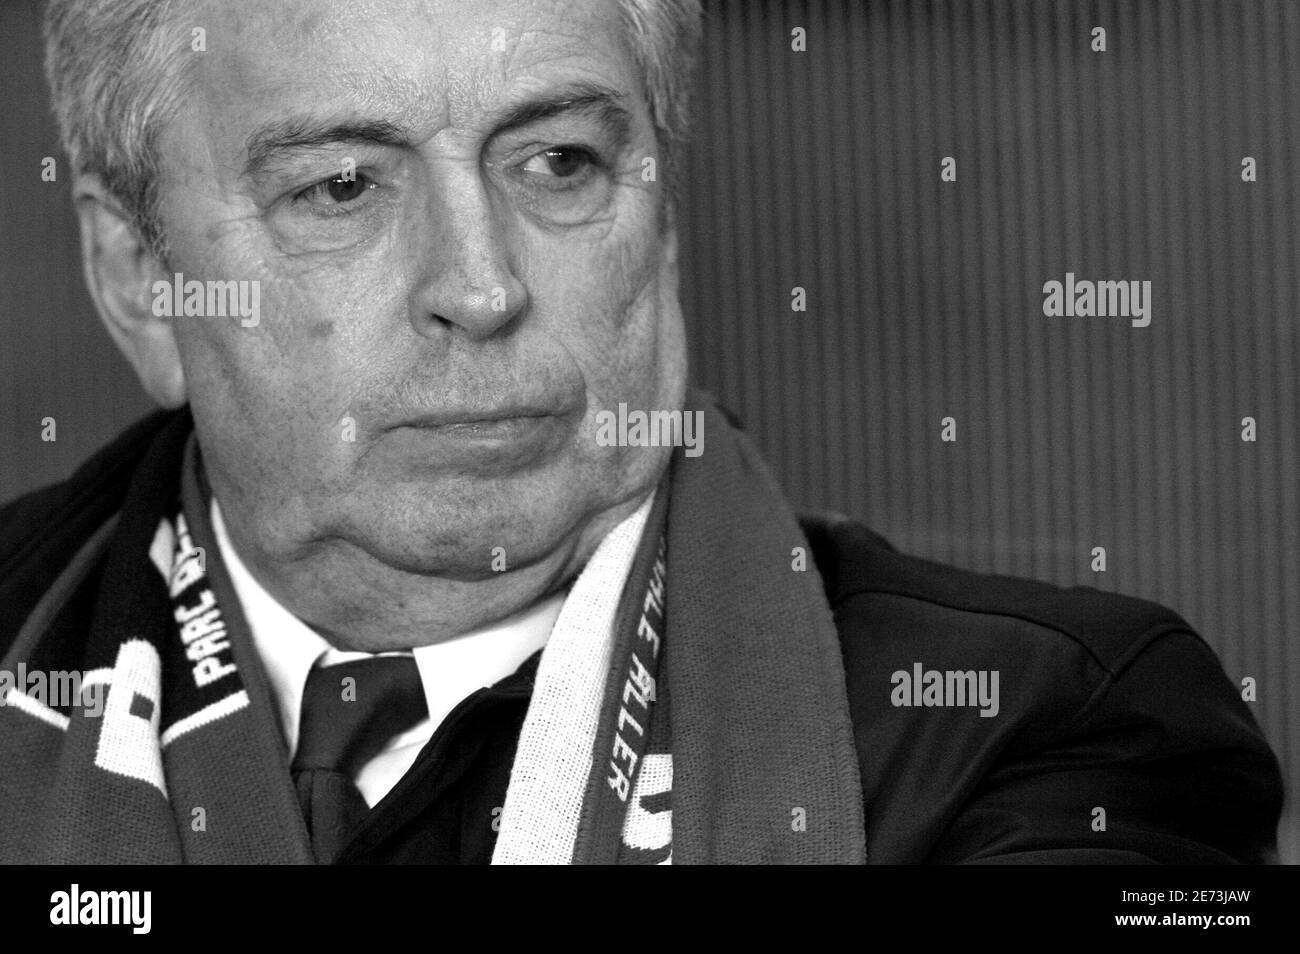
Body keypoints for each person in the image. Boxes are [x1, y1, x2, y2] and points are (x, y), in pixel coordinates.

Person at [0, 0, 1281, 864]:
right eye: (342, 186)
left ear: (661, 223)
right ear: (137, 276)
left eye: (557, 161)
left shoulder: (1051, 729)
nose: (484, 285)